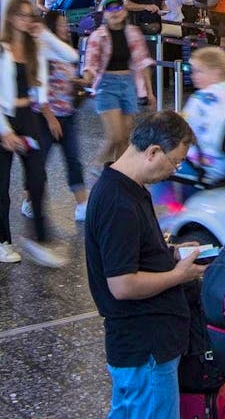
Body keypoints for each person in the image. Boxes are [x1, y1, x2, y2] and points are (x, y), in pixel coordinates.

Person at [85, 111, 205, 419]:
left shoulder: (127, 187)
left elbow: (134, 252)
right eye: (175, 161)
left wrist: (171, 253)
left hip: (142, 344)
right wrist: (179, 276)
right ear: (152, 151)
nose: (174, 170)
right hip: (145, 345)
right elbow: (123, 284)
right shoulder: (118, 202)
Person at [0, 0, 78, 266]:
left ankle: (41, 240)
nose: (26, 20)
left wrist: (43, 32)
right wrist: (3, 131)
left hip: (28, 116)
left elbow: (71, 56)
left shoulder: (38, 45)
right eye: (21, 15)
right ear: (10, 17)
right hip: (0, 117)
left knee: (36, 177)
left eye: (30, 15)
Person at [83, 0, 157, 174]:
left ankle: (119, 175)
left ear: (124, 12)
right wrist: (86, 80)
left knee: (124, 137)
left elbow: (142, 61)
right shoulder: (97, 36)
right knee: (114, 135)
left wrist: (150, 92)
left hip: (128, 85)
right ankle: (98, 166)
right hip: (106, 86)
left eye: (118, 8)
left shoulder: (133, 33)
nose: (115, 12)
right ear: (105, 14)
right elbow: (91, 63)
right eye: (110, 9)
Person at [28, 10, 88, 222]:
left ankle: (82, 204)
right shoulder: (44, 50)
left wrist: (81, 82)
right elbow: (38, 86)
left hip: (67, 114)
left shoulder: (63, 51)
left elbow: (71, 68)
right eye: (61, 24)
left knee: (73, 160)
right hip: (45, 117)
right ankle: (29, 200)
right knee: (40, 161)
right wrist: (50, 117)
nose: (65, 28)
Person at [181, 47, 225, 183]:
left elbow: (182, 132)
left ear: (216, 71)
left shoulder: (199, 99)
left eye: (199, 71)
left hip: (210, 166)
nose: (193, 76)